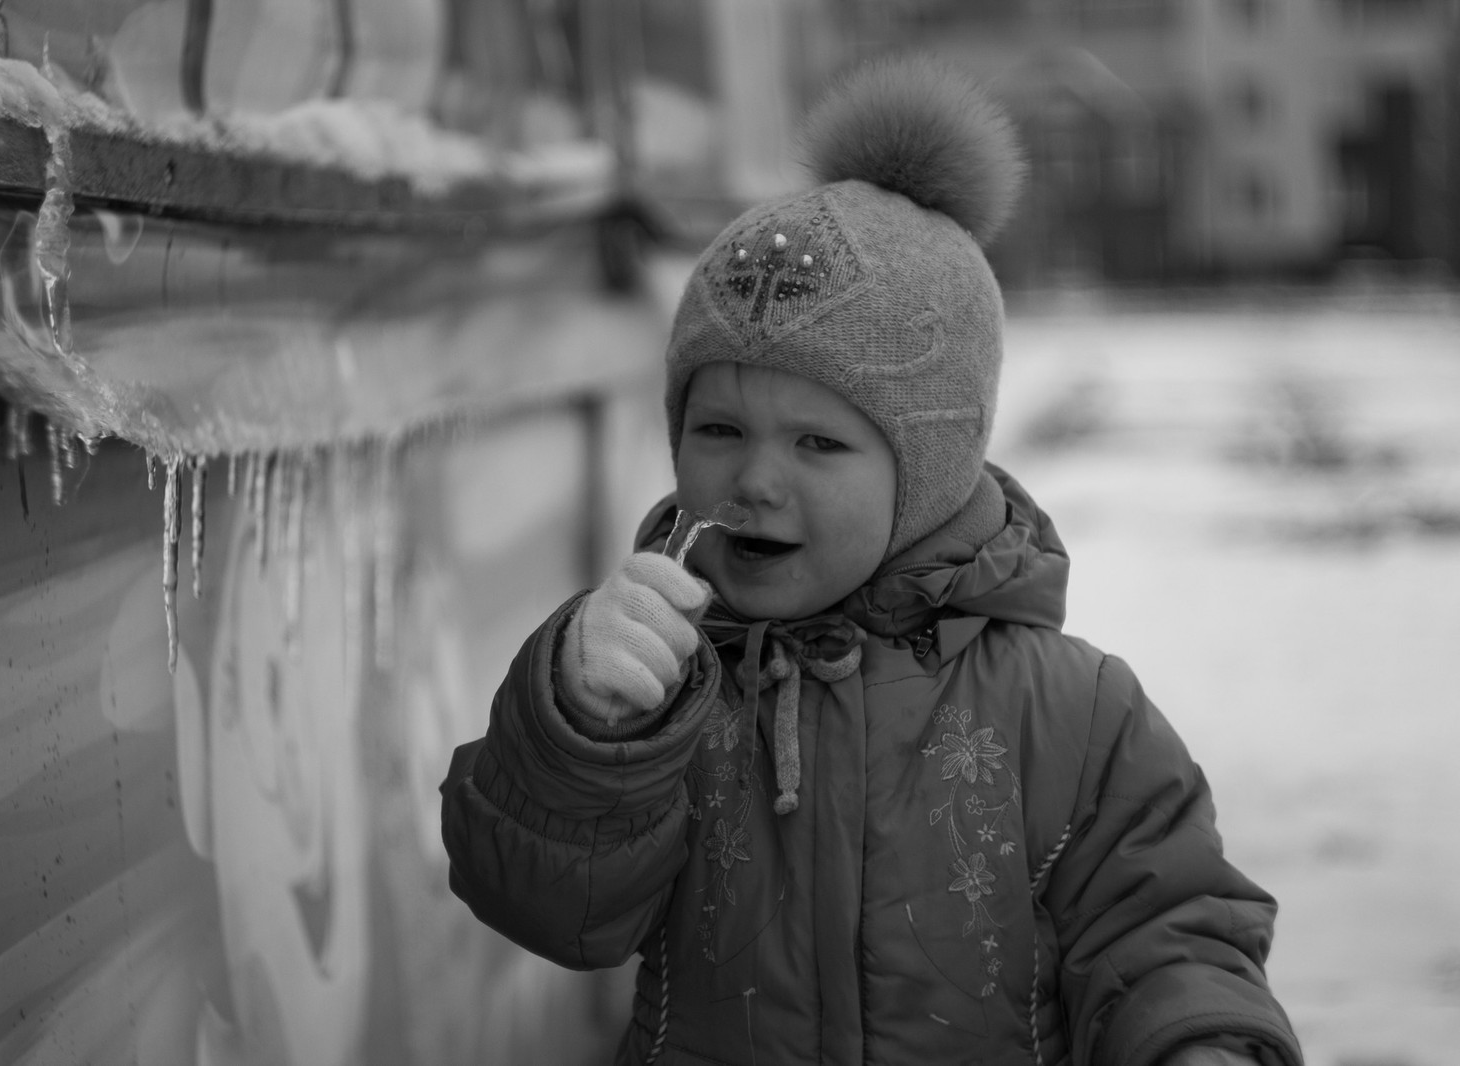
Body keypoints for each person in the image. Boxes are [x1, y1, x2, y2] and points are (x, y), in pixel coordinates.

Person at [440, 55, 1302, 1066]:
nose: (753, 479)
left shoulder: (1072, 715)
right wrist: (583, 732)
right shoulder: (665, 690)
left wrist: (1198, 1044)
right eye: (718, 427)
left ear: (929, 470)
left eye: (817, 443)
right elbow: (555, 911)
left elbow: (1166, 935)